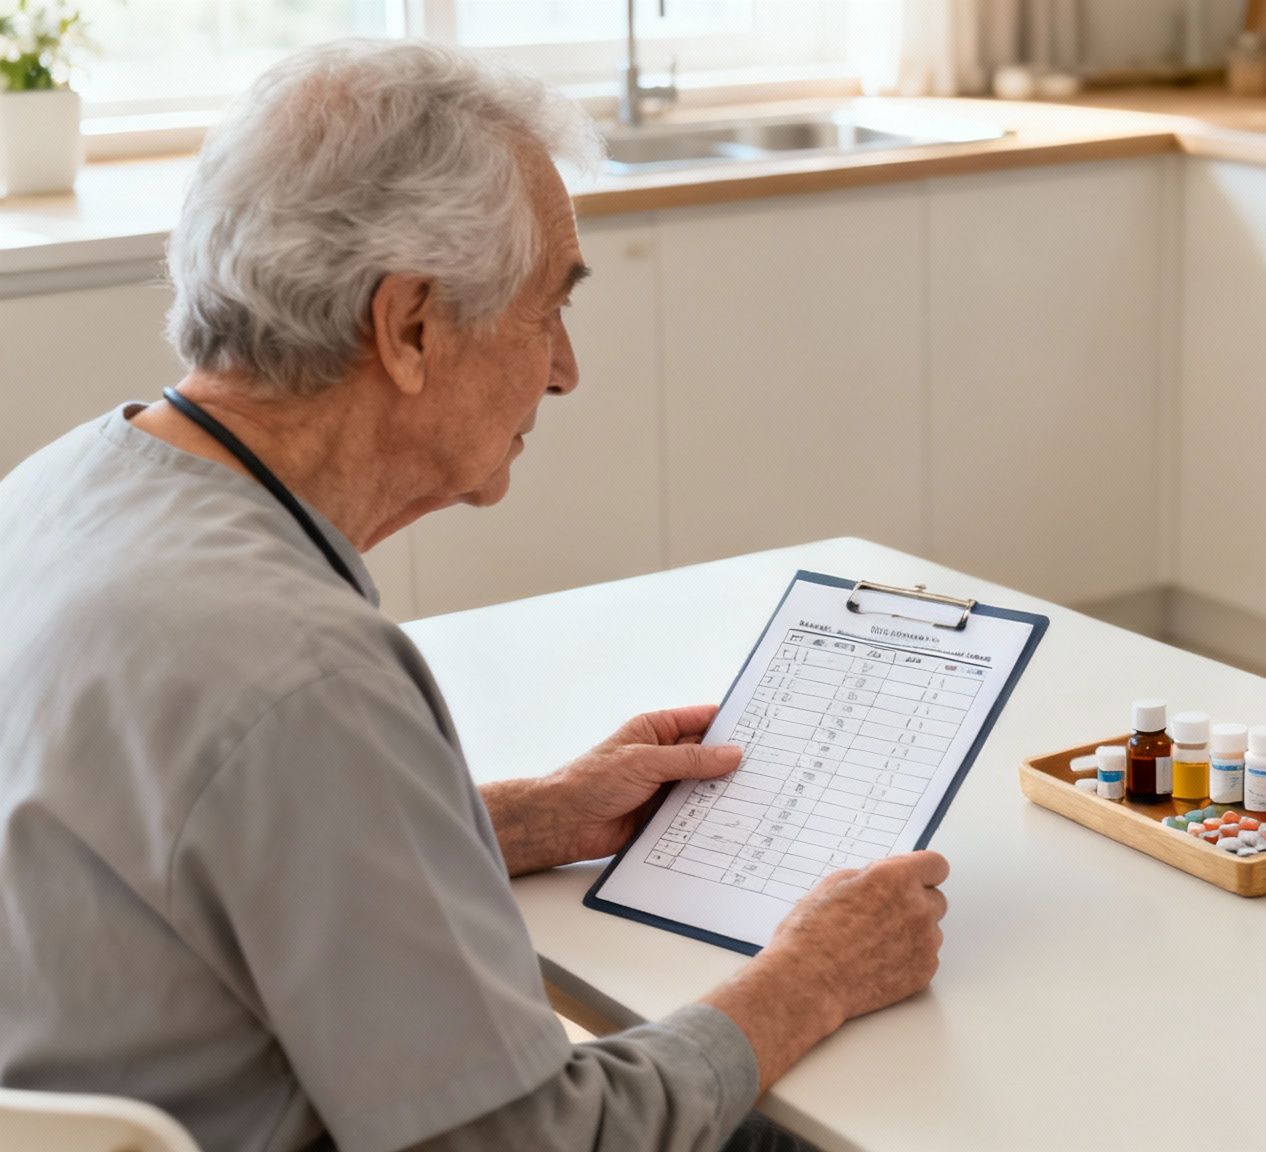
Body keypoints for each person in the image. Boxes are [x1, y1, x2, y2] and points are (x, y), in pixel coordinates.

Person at [0, 40, 946, 1152]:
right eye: (549, 308)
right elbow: (524, 1144)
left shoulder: (59, 487)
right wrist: (811, 978)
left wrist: (527, 817)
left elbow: (196, 862)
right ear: (408, 327)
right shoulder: (301, 672)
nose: (564, 370)